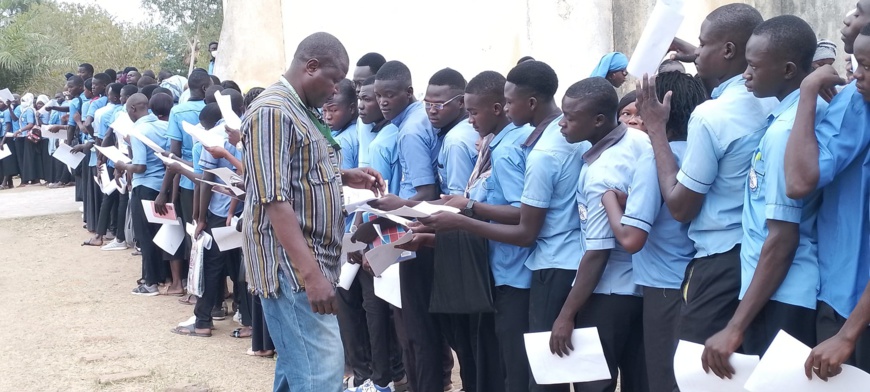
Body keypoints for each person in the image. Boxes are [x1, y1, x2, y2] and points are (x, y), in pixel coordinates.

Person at [420, 60, 588, 392]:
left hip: (523, 270)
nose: (469, 121)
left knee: (524, 368)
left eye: (510, 103)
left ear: (528, 103)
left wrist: (465, 213)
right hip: (529, 267)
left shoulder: (521, 149)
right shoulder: (538, 138)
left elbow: (522, 221)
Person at [240, 32, 385, 392]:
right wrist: (312, 277)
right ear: (311, 67)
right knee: (321, 375)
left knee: (298, 369)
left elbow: (298, 171)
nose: (336, 91)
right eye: (334, 80)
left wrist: (344, 175)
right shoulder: (273, 111)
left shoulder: (301, 109)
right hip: (292, 269)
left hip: (310, 262)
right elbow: (274, 200)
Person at [700, 16, 826, 380]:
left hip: (782, 296)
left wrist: (736, 326)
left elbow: (782, 238)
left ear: (787, 70)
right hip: (778, 292)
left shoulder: (785, 133)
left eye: (753, 66)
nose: (745, 75)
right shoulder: (791, 117)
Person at [651, 3, 775, 345]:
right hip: (761, 255)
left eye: (703, 44)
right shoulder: (779, 97)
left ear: (729, 50)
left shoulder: (711, 116)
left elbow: (680, 207)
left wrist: (656, 129)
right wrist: (704, 55)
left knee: (697, 370)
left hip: (719, 259)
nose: (697, 52)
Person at [418, 70, 536, 391]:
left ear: (496, 109)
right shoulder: (500, 142)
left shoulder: (508, 150)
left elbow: (520, 213)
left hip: (513, 271)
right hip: (500, 268)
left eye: (472, 112)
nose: (469, 120)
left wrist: (466, 209)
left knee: (509, 365)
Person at [548, 77, 654, 392]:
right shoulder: (640, 141)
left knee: (593, 384)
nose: (562, 125)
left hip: (608, 293)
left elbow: (597, 253)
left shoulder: (601, 174)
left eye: (570, 118)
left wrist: (566, 315)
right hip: (643, 288)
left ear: (598, 121)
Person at [786, 5, 870, 379]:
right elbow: (801, 180)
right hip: (840, 295)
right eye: (856, 64)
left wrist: (848, 335)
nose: (857, 76)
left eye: (867, 67)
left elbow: (800, 181)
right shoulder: (855, 102)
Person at [631, 71, 707, 392]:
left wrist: (608, 202)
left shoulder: (655, 159)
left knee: (665, 377)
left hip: (664, 287)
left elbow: (633, 237)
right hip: (700, 283)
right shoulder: (703, 148)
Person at [161, 69, 213, 296]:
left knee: (194, 234)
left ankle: (196, 289)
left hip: (188, 182)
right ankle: (216, 290)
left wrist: (166, 190)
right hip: (215, 182)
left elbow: (172, 154)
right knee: (212, 233)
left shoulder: (177, 111)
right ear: (204, 89)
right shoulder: (213, 111)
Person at [115, 93, 171, 296]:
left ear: (132, 109)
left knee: (144, 235)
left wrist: (122, 165)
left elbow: (139, 166)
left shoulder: (138, 130)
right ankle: (164, 276)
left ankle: (150, 282)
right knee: (161, 233)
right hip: (163, 187)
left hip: (145, 186)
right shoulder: (164, 126)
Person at [429, 68, 478, 196]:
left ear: (461, 102)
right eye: (428, 104)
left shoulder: (455, 141)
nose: (432, 110)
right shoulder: (475, 126)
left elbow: (459, 201)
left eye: (439, 105)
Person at [353, 52, 387, 168]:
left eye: (362, 83)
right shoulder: (362, 121)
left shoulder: (397, 126)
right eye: (355, 84)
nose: (358, 89)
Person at [325, 79, 359, 170]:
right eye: (324, 110)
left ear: (351, 108)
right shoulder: (362, 128)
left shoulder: (341, 142)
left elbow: (342, 180)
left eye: (333, 110)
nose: (327, 116)